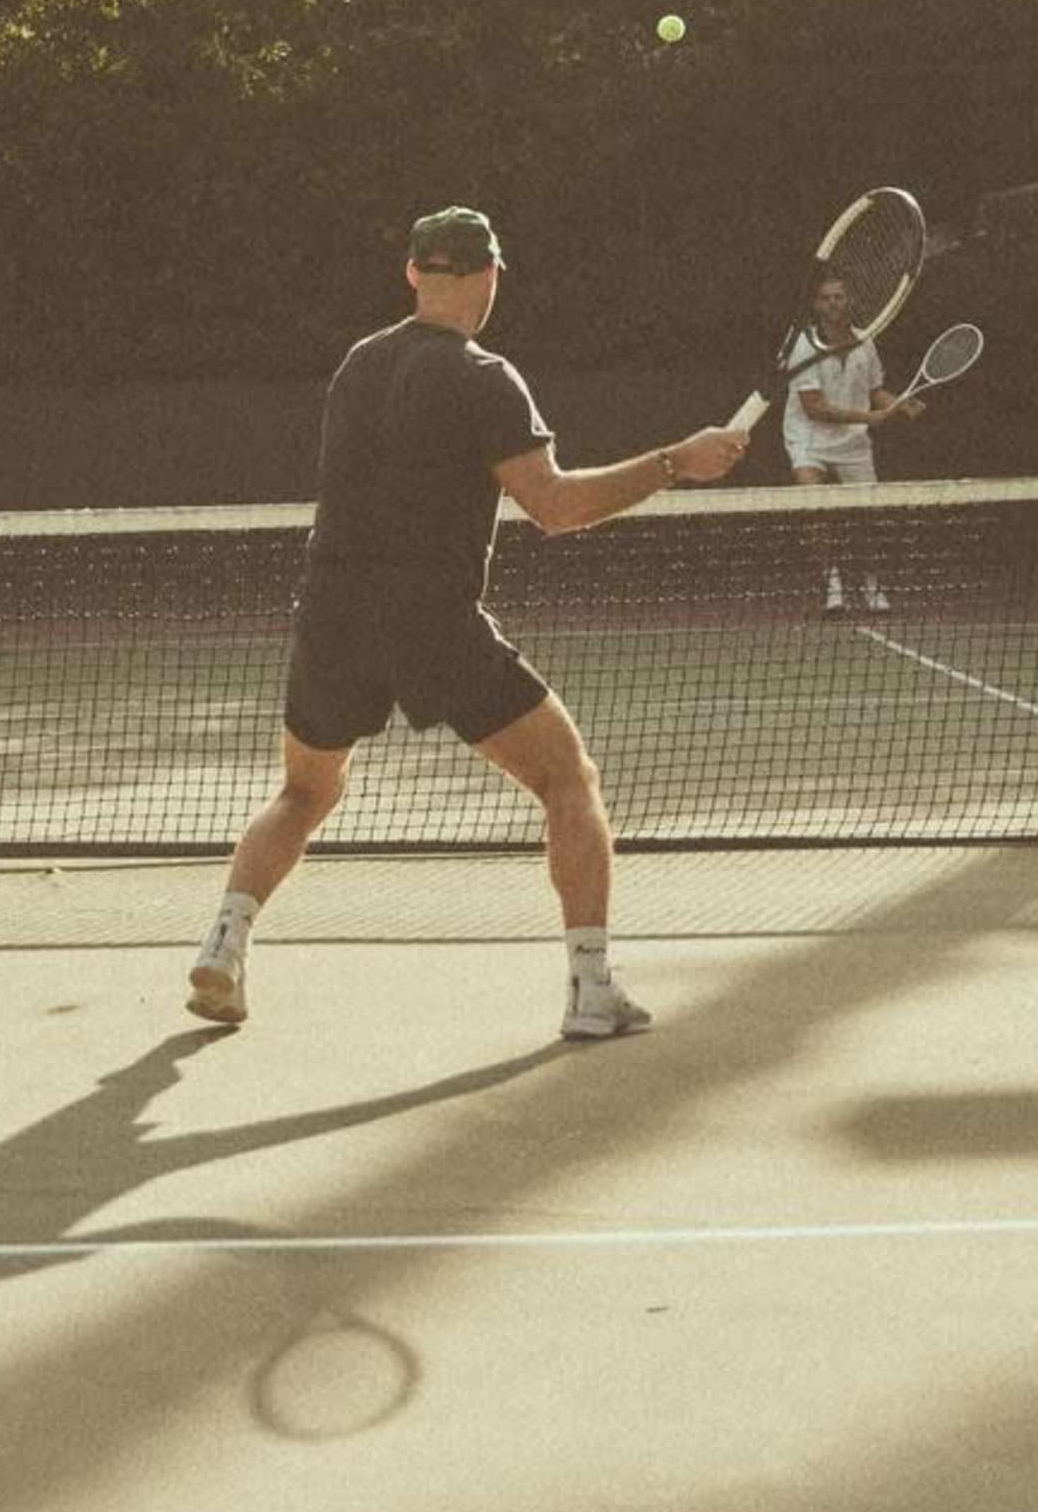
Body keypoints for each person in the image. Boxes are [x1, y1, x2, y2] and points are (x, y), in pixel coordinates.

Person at [189, 208, 750, 1042]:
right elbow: (555, 507)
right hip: (430, 622)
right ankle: (591, 986)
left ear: (414, 274)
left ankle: (223, 943)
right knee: (568, 777)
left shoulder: (357, 365)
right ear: (491, 276)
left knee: (305, 790)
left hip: (330, 614)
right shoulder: (486, 377)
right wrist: (676, 460)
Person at [783, 265, 923, 614]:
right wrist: (869, 417)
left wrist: (900, 405)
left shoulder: (866, 341)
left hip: (853, 442)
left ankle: (872, 585)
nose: (832, 304)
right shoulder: (803, 346)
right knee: (814, 506)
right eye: (825, 298)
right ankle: (833, 586)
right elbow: (814, 408)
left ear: (850, 301)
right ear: (816, 304)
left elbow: (876, 392)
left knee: (867, 517)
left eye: (838, 297)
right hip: (808, 437)